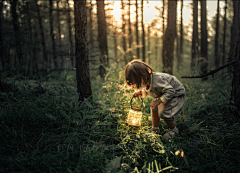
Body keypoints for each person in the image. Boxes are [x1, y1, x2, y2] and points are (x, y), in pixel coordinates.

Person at [124, 59, 185, 140]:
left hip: (175, 93)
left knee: (164, 111)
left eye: (137, 83)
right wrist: (141, 93)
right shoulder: (148, 81)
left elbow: (170, 91)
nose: (138, 86)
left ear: (143, 75)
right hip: (165, 93)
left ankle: (173, 129)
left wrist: (158, 101)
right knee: (154, 108)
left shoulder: (157, 80)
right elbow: (152, 91)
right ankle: (155, 128)